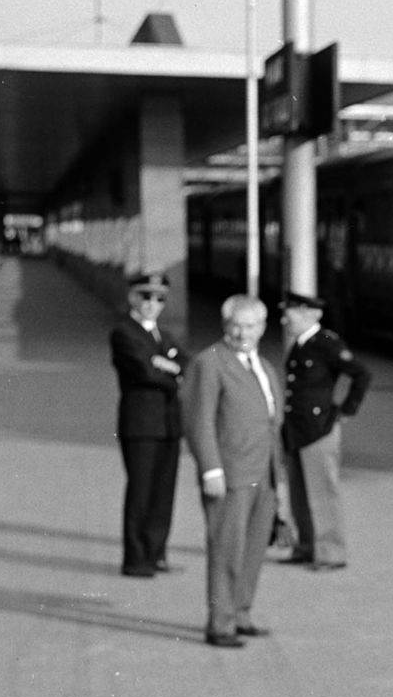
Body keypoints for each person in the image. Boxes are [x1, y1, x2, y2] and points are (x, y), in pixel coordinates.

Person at [182, 296, 284, 648]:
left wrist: (277, 474)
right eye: (236, 325)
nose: (244, 333)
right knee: (226, 549)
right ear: (225, 326)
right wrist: (211, 469)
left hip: (263, 474)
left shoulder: (264, 366)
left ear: (262, 327)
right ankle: (220, 623)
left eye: (251, 326)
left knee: (253, 548)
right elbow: (199, 421)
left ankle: (241, 612)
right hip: (231, 474)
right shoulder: (209, 363)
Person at [280, 289, 372, 571]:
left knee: (322, 493)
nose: (284, 319)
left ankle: (331, 553)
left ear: (309, 314)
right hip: (297, 428)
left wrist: (346, 410)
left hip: (319, 429)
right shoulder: (300, 344)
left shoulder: (326, 344)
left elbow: (361, 374)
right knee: (299, 493)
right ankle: (306, 546)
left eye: (290, 313)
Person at [108, 271, 184, 577]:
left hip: (168, 424)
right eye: (146, 296)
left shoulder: (163, 337)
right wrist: (168, 368)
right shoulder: (124, 333)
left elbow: (186, 365)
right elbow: (144, 371)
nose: (153, 304)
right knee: (140, 491)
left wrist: (165, 365)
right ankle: (135, 558)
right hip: (140, 424)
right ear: (132, 298)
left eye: (159, 298)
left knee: (163, 492)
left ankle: (156, 554)